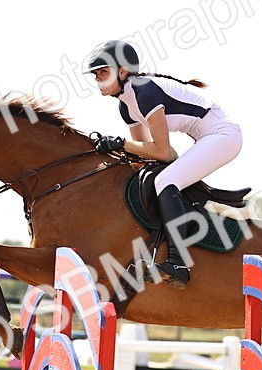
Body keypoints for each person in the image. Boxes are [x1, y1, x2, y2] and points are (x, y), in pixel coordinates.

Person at [84, 39, 243, 288]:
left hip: (223, 136)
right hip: (205, 138)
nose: (97, 78)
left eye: (103, 72)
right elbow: (155, 154)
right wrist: (114, 150)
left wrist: (119, 142)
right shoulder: (126, 106)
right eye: (96, 74)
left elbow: (159, 150)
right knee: (157, 175)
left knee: (165, 180)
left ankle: (178, 262)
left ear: (123, 72)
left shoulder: (145, 92)